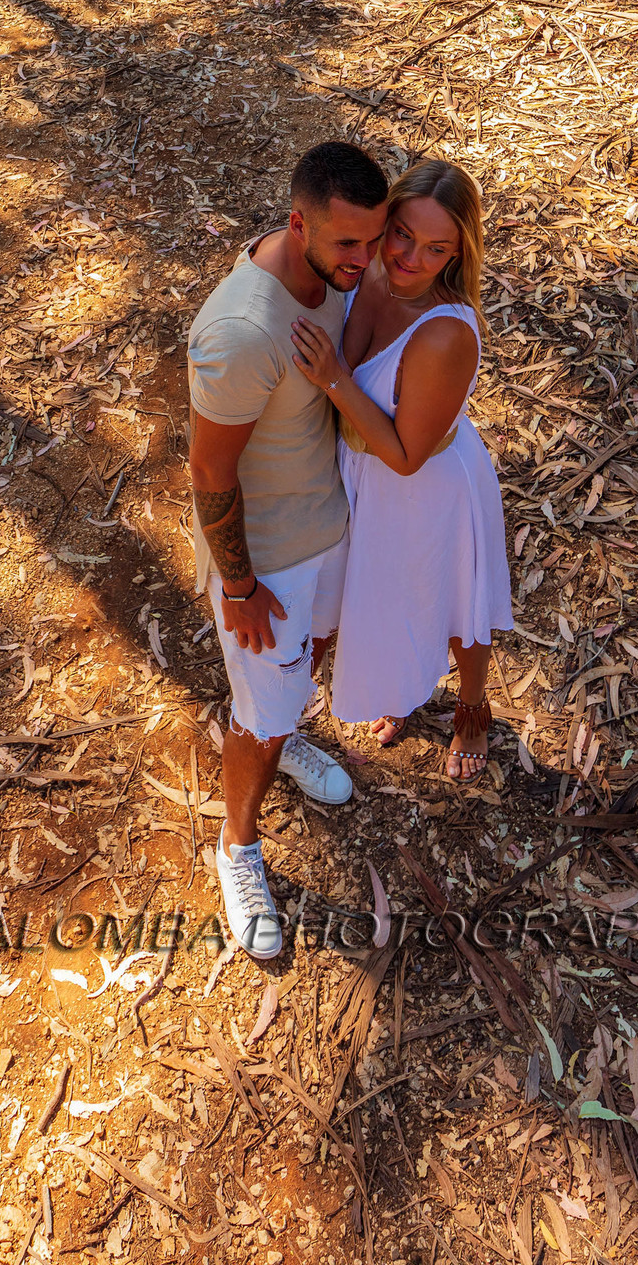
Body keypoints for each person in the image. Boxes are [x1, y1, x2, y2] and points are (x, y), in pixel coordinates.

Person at [187, 141, 389, 957]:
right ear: (297, 221)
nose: (366, 261)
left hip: (333, 525)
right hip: (267, 558)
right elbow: (209, 469)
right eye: (349, 244)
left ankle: (290, 731)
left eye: (374, 241)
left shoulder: (336, 276)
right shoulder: (242, 331)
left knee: (310, 665)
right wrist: (238, 585)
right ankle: (237, 846)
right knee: (259, 716)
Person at [290, 157, 513, 778]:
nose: (411, 258)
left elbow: (408, 456)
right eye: (402, 234)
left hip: (427, 488)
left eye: (436, 248)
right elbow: (355, 349)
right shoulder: (373, 277)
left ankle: (473, 712)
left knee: (452, 605)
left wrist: (332, 377)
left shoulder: (446, 335)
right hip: (365, 475)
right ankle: (405, 690)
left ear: (457, 254)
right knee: (392, 600)